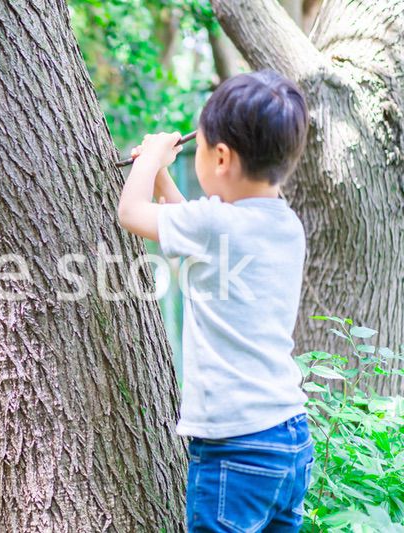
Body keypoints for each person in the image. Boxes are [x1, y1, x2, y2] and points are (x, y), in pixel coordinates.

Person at [117, 70, 314, 531]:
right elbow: (194, 229)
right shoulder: (285, 225)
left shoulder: (215, 225)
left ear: (221, 157)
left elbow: (130, 213)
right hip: (289, 435)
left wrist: (151, 157)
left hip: (235, 443)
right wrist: (162, 176)